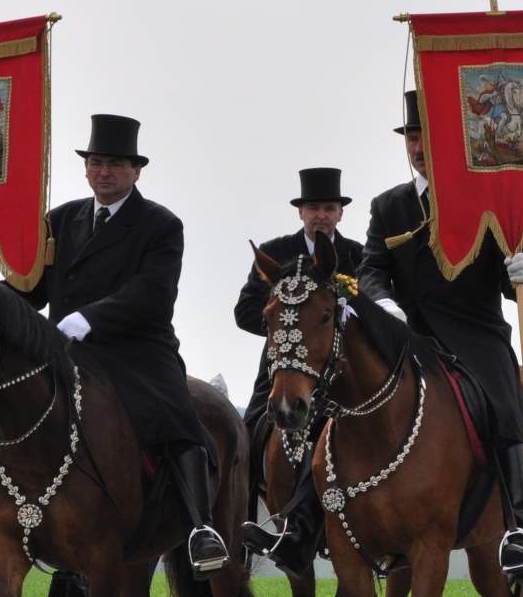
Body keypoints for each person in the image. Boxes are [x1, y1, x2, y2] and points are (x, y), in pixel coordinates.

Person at [354, 91, 523, 578]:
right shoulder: (388, 205)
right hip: (407, 333)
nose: (419, 148)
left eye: (428, 139)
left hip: (475, 334)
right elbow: (372, 267)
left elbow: (514, 279)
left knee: (506, 407)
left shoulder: (484, 199)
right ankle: (309, 518)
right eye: (413, 138)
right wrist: (382, 303)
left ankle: (522, 527)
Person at [18, 114, 224, 573]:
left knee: (175, 415)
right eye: (95, 162)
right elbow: (31, 288)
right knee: (0, 409)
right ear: (86, 168)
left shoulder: (160, 225)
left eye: (114, 164)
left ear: (135, 171)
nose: (103, 171)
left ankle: (199, 526)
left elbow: (152, 292)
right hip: (65, 349)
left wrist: (90, 318)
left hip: (137, 350)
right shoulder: (60, 219)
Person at [236, 167, 364, 573]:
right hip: (284, 368)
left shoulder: (358, 256)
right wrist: (288, 325)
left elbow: (376, 310)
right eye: (314, 208)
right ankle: (247, 519)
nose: (321, 215)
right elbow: (243, 312)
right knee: (250, 430)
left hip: (341, 373)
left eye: (329, 208)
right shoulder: (276, 252)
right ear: (301, 213)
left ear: (340, 214)